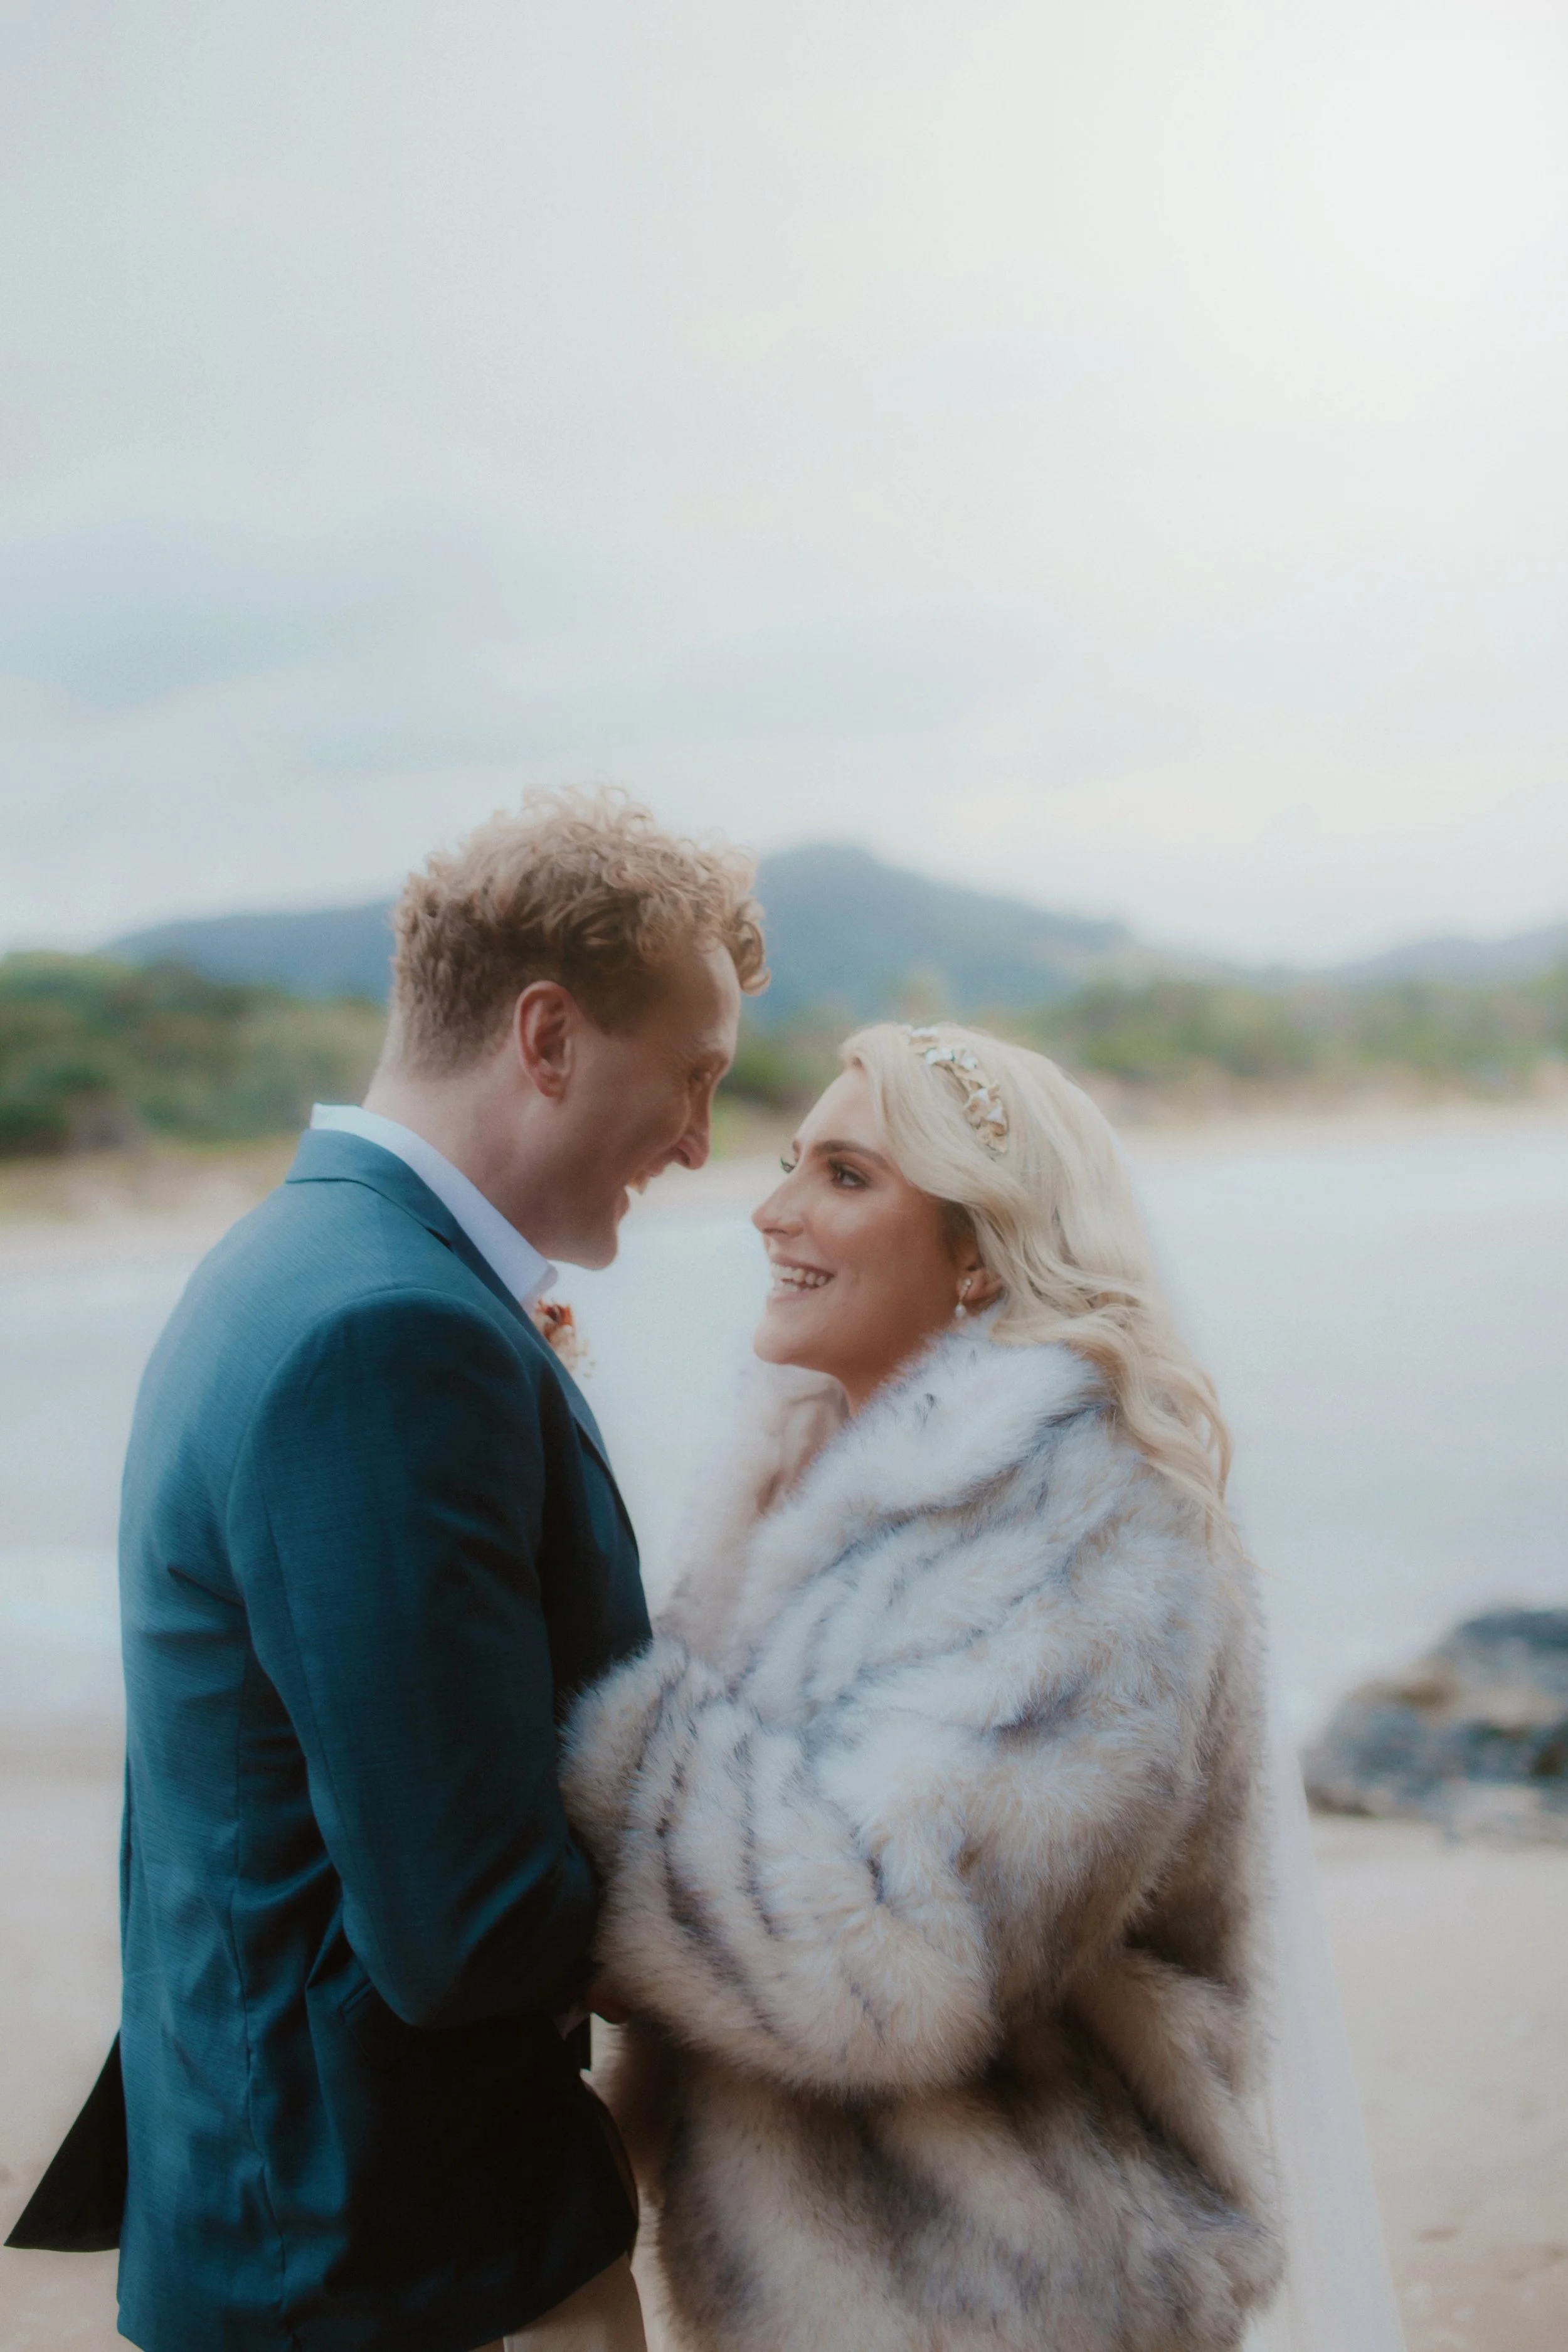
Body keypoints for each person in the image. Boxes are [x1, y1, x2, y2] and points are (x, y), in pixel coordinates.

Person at [6, 789, 765, 2352]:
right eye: (690, 1080)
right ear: (546, 1039)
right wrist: (781, 1901)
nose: (699, 1144)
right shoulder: (387, 1330)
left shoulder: (296, 1258)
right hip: (403, 2262)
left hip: (305, 2215)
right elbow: (464, 1925)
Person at [564, 1020, 1289, 2352]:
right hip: (856, 2287)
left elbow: (883, 1965)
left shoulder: (1083, 1518)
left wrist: (599, 1736)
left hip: (1011, 2286)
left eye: (844, 1177)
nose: (770, 1209)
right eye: (791, 1163)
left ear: (974, 1253)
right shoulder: (814, 1486)